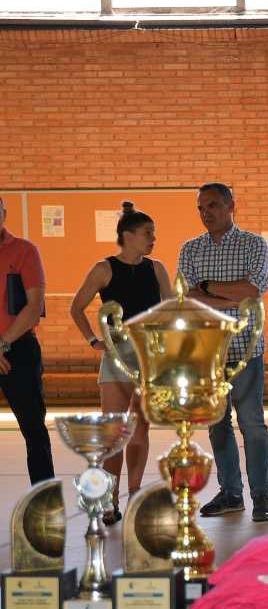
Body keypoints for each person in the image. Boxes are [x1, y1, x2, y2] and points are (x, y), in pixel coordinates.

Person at [69, 202, 172, 524]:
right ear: (128, 236)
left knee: (140, 426)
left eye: (154, 233)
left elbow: (169, 311)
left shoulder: (156, 268)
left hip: (148, 355)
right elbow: (77, 308)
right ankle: (110, 498)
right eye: (147, 233)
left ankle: (136, 492)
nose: (153, 239)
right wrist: (93, 340)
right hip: (116, 356)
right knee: (114, 430)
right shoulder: (104, 268)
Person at [179, 182, 268, 522]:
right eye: (202, 207)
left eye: (215, 205)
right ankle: (231, 492)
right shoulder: (190, 249)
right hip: (208, 353)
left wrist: (207, 288)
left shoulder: (254, 244)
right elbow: (187, 298)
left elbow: (252, 291)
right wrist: (227, 297)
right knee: (217, 426)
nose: (208, 213)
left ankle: (262, 495)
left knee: (252, 425)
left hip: (246, 349)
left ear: (232, 205)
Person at [0, 196, 54, 486]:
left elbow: (34, 305)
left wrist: (2, 343)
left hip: (18, 350)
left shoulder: (24, 251)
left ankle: (44, 502)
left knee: (34, 431)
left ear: (4, 214)